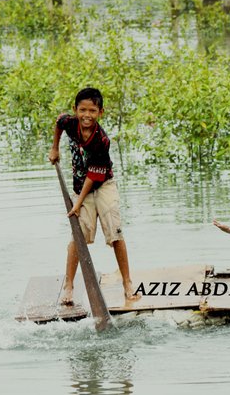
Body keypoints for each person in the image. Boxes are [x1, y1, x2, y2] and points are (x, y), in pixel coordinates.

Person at [48, 87, 140, 305]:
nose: (86, 115)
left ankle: (127, 282)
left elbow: (93, 176)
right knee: (79, 236)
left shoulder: (102, 140)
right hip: (81, 187)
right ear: (75, 110)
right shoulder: (69, 123)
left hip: (103, 184)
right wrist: (55, 149)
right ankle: (68, 285)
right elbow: (59, 122)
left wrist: (77, 204)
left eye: (92, 111)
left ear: (101, 112)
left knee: (114, 230)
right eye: (82, 110)